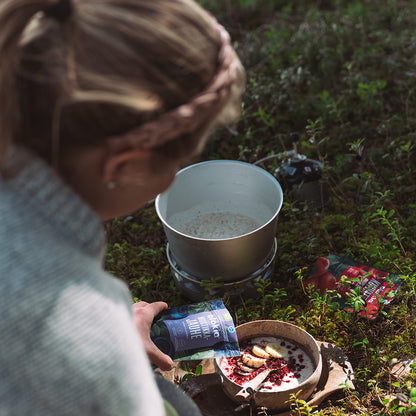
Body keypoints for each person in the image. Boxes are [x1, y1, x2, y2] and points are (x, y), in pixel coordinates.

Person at [0, 0, 245, 415]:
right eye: (175, 162)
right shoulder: (76, 327)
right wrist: (109, 344)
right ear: (123, 165)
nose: (173, 179)